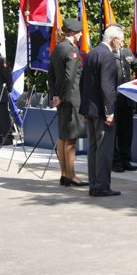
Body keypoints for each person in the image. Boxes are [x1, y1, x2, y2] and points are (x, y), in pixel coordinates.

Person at [79, 25, 120, 197]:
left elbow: (83, 83)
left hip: (91, 109)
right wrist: (109, 111)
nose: (121, 44)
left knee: (94, 148)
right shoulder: (108, 56)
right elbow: (107, 87)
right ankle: (102, 186)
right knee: (104, 149)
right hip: (102, 112)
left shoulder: (92, 53)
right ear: (113, 40)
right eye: (121, 40)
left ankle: (94, 184)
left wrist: (84, 108)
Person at [47, 18, 88, 187]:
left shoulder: (57, 48)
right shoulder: (72, 51)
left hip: (62, 99)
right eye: (79, 32)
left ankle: (64, 174)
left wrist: (55, 95)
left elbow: (51, 75)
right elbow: (69, 77)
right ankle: (71, 175)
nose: (80, 35)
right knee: (71, 139)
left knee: (63, 137)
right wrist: (62, 96)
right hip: (71, 99)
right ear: (72, 33)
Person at [112, 27, 137, 173]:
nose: (122, 43)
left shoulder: (127, 52)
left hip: (127, 98)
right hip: (113, 99)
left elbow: (136, 66)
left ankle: (125, 159)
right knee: (114, 132)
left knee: (126, 131)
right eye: (120, 39)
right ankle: (115, 161)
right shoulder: (108, 53)